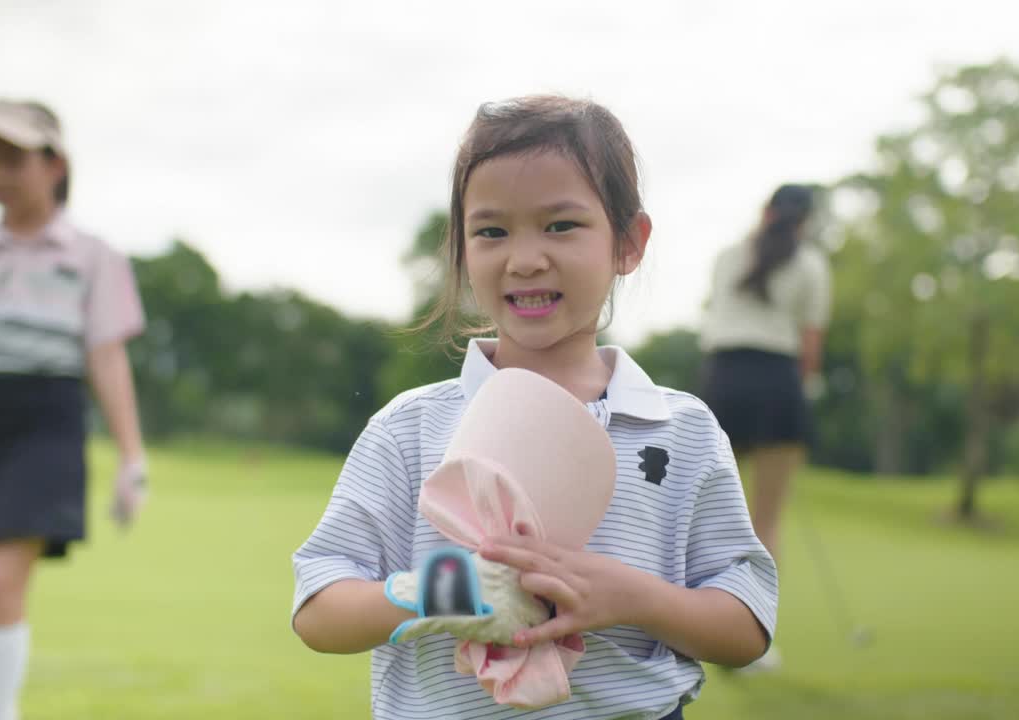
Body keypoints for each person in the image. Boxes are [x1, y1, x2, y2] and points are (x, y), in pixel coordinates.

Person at [291, 95, 778, 719]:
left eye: (560, 225)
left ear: (628, 243)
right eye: (491, 231)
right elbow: (319, 611)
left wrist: (633, 598)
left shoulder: (682, 430)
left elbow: (746, 625)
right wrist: (450, 590)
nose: (524, 259)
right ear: (462, 248)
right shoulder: (408, 428)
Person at [0, 99, 149, 720]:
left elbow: (106, 359)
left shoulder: (93, 257)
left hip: (44, 425)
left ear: (55, 165)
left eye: (12, 158)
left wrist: (132, 457)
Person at [698, 184, 832, 669]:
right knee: (765, 523)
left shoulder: (728, 256)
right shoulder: (812, 264)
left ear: (766, 211)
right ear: (805, 221)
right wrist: (807, 392)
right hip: (778, 383)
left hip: (725, 379)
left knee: (707, 518)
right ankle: (753, 643)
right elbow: (811, 345)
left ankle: (694, 629)